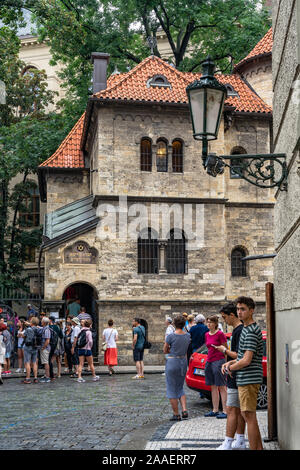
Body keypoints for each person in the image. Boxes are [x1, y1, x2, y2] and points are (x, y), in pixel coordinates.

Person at [222, 296, 264, 451]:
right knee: (249, 416)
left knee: (249, 417)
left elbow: (246, 360)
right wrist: (230, 362)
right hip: (244, 378)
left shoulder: (252, 330)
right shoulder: (245, 329)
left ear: (251, 311)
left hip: (249, 379)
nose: (239, 312)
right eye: (238, 309)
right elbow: (241, 357)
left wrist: (231, 368)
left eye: (243, 309)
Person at [216, 303, 245, 450]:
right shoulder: (238, 330)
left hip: (236, 375)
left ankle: (228, 442)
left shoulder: (239, 331)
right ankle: (240, 440)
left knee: (231, 409)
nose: (224, 320)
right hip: (235, 373)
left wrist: (224, 351)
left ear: (232, 315)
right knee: (238, 410)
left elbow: (240, 355)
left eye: (225, 317)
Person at [163, 315, 191, 421]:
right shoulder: (188, 336)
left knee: (171, 388)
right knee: (180, 387)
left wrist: (171, 350)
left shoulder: (170, 336)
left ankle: (176, 414)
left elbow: (165, 350)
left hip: (172, 360)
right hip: (183, 361)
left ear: (174, 324)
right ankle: (184, 409)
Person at [204, 315, 228, 419]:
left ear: (215, 323)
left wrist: (225, 363)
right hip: (209, 361)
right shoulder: (206, 334)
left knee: (221, 386)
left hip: (219, 361)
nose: (208, 324)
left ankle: (225, 411)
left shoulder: (220, 334)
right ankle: (215, 409)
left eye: (210, 322)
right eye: (207, 322)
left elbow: (226, 349)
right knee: (213, 386)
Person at [22, 317, 40, 384]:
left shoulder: (28, 329)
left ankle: (28, 378)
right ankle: (35, 378)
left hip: (28, 346)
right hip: (35, 347)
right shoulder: (38, 329)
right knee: (34, 362)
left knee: (27, 362)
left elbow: (24, 336)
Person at [39, 316, 51, 383]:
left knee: (46, 362)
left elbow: (47, 340)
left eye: (42, 321)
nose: (41, 322)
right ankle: (46, 375)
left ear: (44, 322)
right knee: (45, 362)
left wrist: (43, 347)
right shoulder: (44, 328)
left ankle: (47, 376)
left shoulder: (46, 330)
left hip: (45, 348)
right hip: (45, 347)